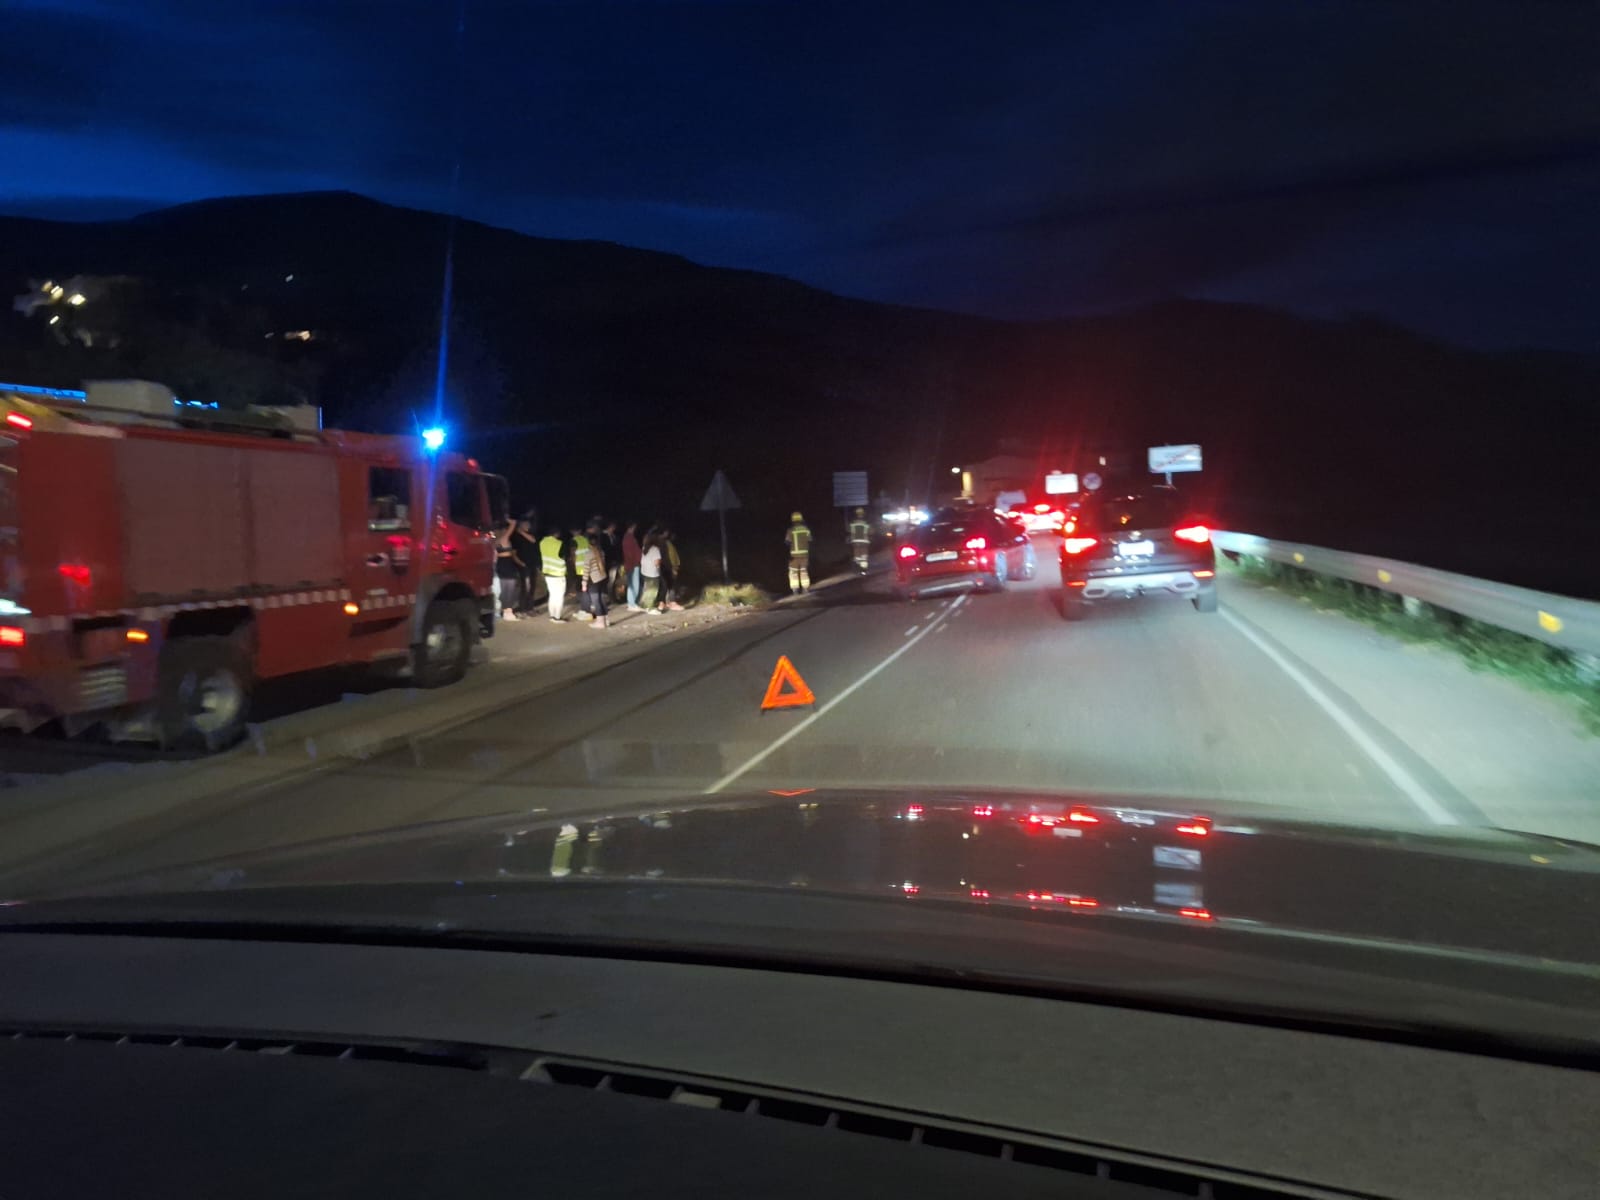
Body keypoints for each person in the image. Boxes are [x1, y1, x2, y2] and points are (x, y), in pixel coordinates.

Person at [579, 522, 610, 628]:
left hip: (594, 580)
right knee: (601, 599)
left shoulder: (589, 553)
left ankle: (600, 622)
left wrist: (584, 583)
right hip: (602, 577)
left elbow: (587, 569)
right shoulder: (601, 552)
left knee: (596, 600)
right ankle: (606, 620)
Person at [539, 524, 568, 622]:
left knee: (552, 595)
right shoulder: (559, 543)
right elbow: (563, 557)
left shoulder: (542, 542)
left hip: (547, 572)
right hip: (558, 573)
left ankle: (552, 615)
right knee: (559, 596)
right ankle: (557, 617)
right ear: (557, 533)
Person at [494, 518, 522, 620]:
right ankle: (508, 612)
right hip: (507, 564)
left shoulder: (495, 541)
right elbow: (514, 523)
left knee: (505, 589)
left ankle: (505, 611)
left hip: (501, 565)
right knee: (510, 588)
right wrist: (505, 517)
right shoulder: (504, 539)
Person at [511, 517, 540, 613]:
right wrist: (520, 563)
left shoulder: (530, 534)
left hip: (532, 564)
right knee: (525, 588)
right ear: (521, 525)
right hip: (523, 565)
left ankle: (530, 608)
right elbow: (513, 553)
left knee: (532, 587)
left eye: (528, 524)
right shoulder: (515, 537)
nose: (528, 526)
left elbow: (533, 540)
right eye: (526, 524)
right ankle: (523, 609)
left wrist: (522, 532)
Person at [569, 525, 593, 621]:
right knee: (586, 589)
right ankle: (586, 608)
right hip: (588, 566)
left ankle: (585, 610)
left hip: (580, 569)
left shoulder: (573, 541)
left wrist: (573, 566)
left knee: (582, 590)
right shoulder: (585, 539)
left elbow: (573, 554)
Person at [785, 511, 811, 594]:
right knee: (804, 571)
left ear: (792, 520)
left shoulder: (790, 530)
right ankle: (805, 589)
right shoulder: (806, 529)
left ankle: (795, 590)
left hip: (793, 555)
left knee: (793, 573)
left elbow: (787, 542)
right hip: (804, 554)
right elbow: (810, 540)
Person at [639, 527, 665, 614]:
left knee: (646, 589)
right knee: (653, 591)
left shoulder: (644, 548)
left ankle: (643, 604)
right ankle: (650, 608)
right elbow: (657, 562)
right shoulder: (655, 549)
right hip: (653, 573)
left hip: (645, 571)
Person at [621, 520, 643, 610]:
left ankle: (633, 603)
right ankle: (632, 604)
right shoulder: (629, 538)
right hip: (633, 564)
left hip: (631, 564)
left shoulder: (628, 537)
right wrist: (636, 562)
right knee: (634, 584)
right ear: (632, 527)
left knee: (633, 584)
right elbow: (630, 553)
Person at [662, 527, 685, 610]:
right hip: (669, 567)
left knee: (667, 585)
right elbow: (671, 557)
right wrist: (674, 568)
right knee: (671, 585)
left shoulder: (665, 543)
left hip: (665, 567)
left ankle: (666, 602)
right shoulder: (666, 543)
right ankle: (672, 603)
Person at [602, 518, 624, 600]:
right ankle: (607, 594)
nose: (614, 529)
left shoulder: (614, 536)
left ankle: (613, 595)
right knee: (609, 578)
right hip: (608, 561)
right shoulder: (603, 536)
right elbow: (606, 549)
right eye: (612, 527)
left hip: (615, 560)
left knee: (614, 578)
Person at [849, 507, 871, 573]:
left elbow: (851, 532)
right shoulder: (866, 522)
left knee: (857, 556)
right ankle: (863, 570)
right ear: (863, 514)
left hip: (855, 541)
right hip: (864, 541)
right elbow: (868, 532)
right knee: (864, 556)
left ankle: (857, 568)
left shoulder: (853, 522)